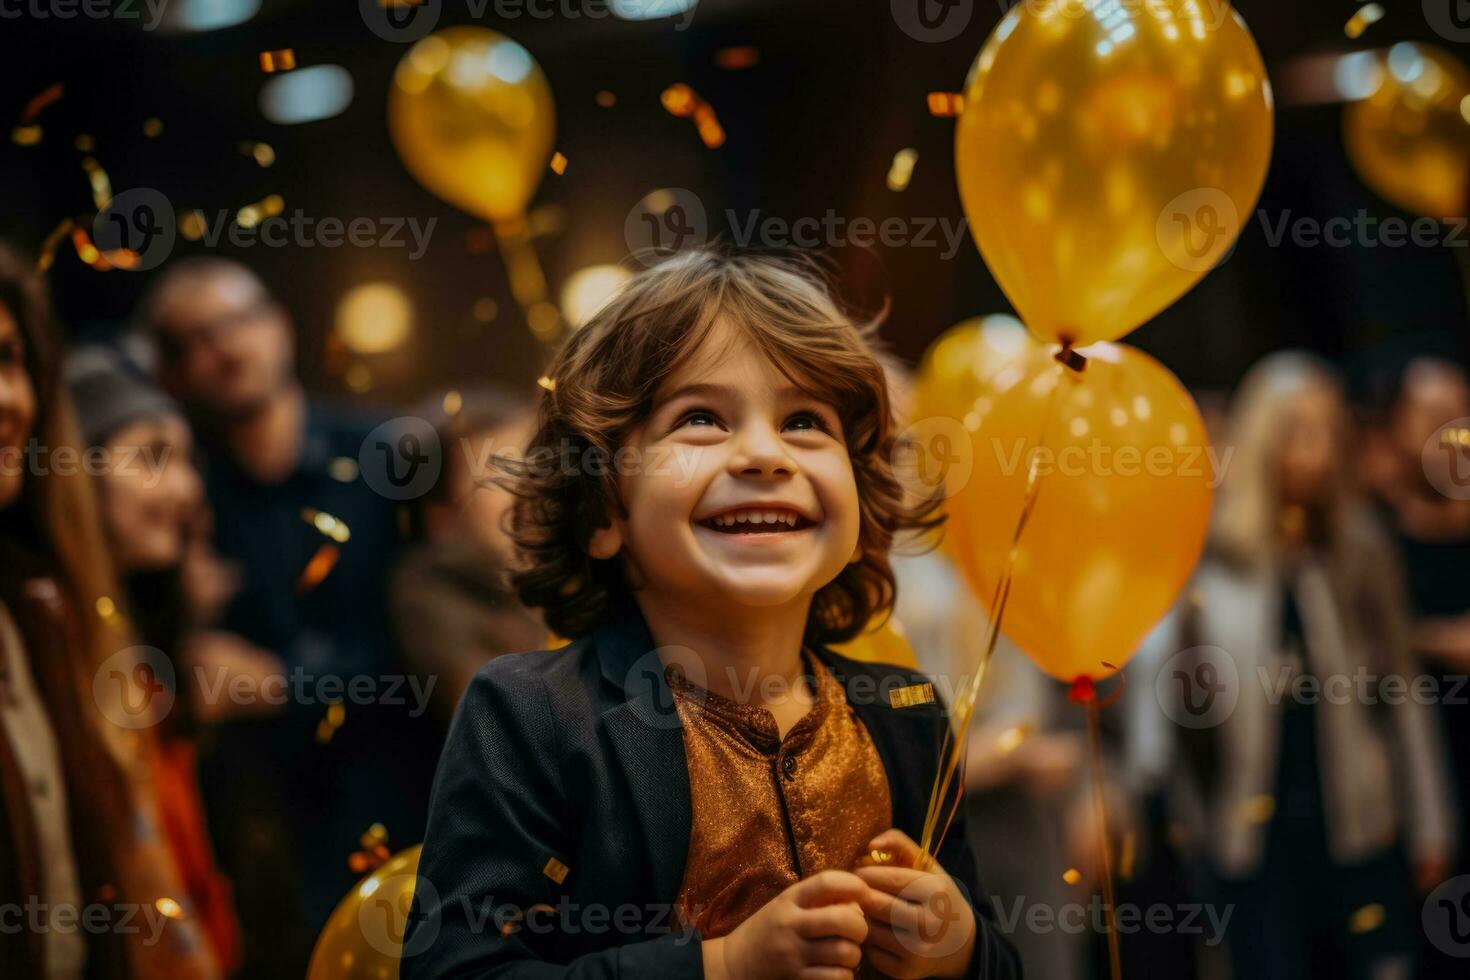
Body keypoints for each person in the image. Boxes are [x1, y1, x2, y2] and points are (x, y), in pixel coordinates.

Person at [401, 250, 1021, 979]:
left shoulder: (907, 714)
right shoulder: (531, 714)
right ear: (604, 509)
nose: (764, 454)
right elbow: (458, 970)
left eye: (803, 422)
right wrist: (720, 967)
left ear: (860, 498)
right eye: (700, 419)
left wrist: (963, 951)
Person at [134, 258, 439, 971]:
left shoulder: (387, 457)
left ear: (280, 326)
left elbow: (438, 642)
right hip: (258, 842)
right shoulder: (177, 494)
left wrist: (283, 684)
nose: (227, 347)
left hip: (413, 802)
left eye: (239, 320)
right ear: (172, 376)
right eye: (196, 338)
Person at [1130, 351, 1456, 980]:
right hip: (1251, 835)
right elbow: (1169, 697)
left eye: (1327, 432)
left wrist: (1431, 822)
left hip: (1357, 820)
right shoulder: (1214, 559)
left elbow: (1403, 695)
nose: (1315, 454)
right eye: (1297, 432)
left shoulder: (1356, 554)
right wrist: (1178, 812)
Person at [0, 242, 219, 978]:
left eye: (10, 360)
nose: (187, 491)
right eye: (151, 456)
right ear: (74, 468)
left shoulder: (121, 645)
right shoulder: (56, 625)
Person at [64, 343, 248, 973]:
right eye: (152, 457)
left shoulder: (145, 658)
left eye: (188, 460)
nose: (188, 489)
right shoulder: (57, 660)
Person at [1362, 357, 1470, 978]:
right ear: (1395, 432)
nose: (1452, 432)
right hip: (1429, 779)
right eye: (1432, 419)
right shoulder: (1374, 536)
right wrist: (1431, 641)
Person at [389, 385, 546, 724]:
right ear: (441, 515)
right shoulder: (427, 595)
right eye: (498, 478)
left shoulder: (576, 566)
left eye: (534, 466)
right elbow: (504, 722)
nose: (529, 490)